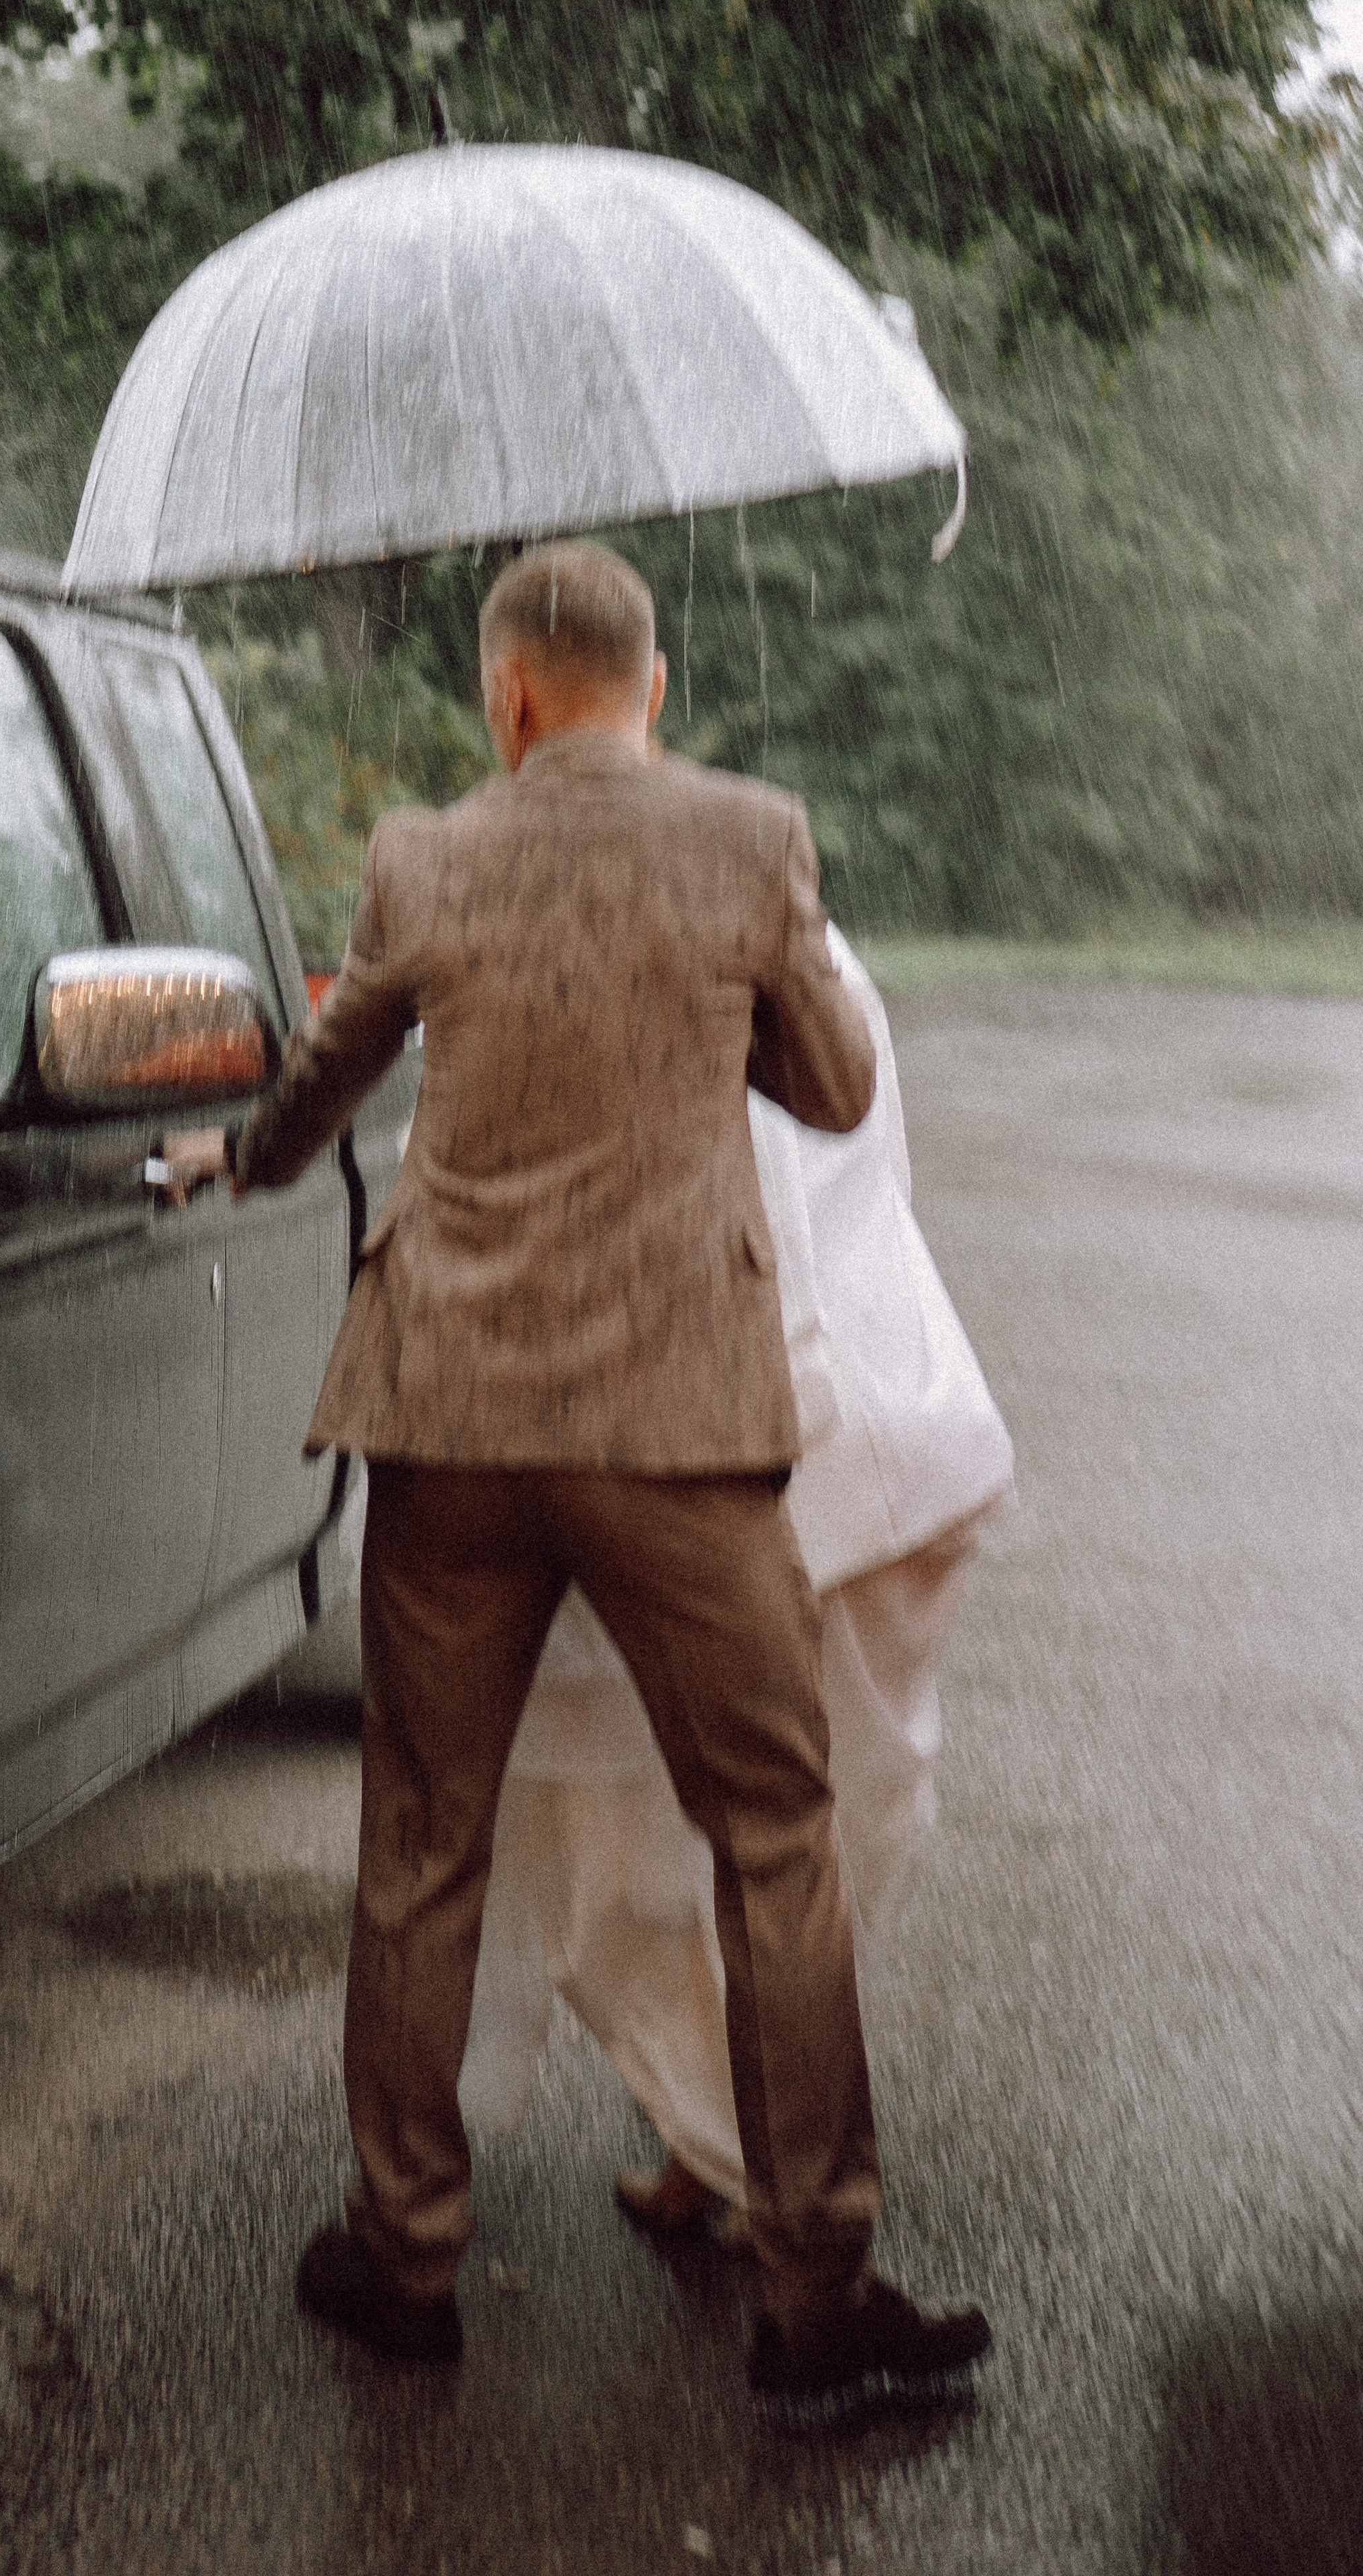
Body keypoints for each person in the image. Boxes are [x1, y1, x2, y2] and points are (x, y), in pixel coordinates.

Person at [213, 539, 992, 2426]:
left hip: (459, 1422)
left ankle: (405, 2260)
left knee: (423, 1844)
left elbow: (319, 1089)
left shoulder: (426, 855)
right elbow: (831, 1085)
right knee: (774, 1841)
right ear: (652, 689)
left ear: (509, 697)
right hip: (674, 1431)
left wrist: (235, 1157)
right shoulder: (750, 839)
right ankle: (816, 2301)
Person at [455, 934, 1015, 2236]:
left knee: (670, 1833)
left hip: (803, 1457)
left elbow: (768, 1249)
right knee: (789, 1837)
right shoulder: (806, 939)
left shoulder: (644, 952)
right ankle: (724, 2150)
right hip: (911, 1431)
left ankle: (759, 2175)